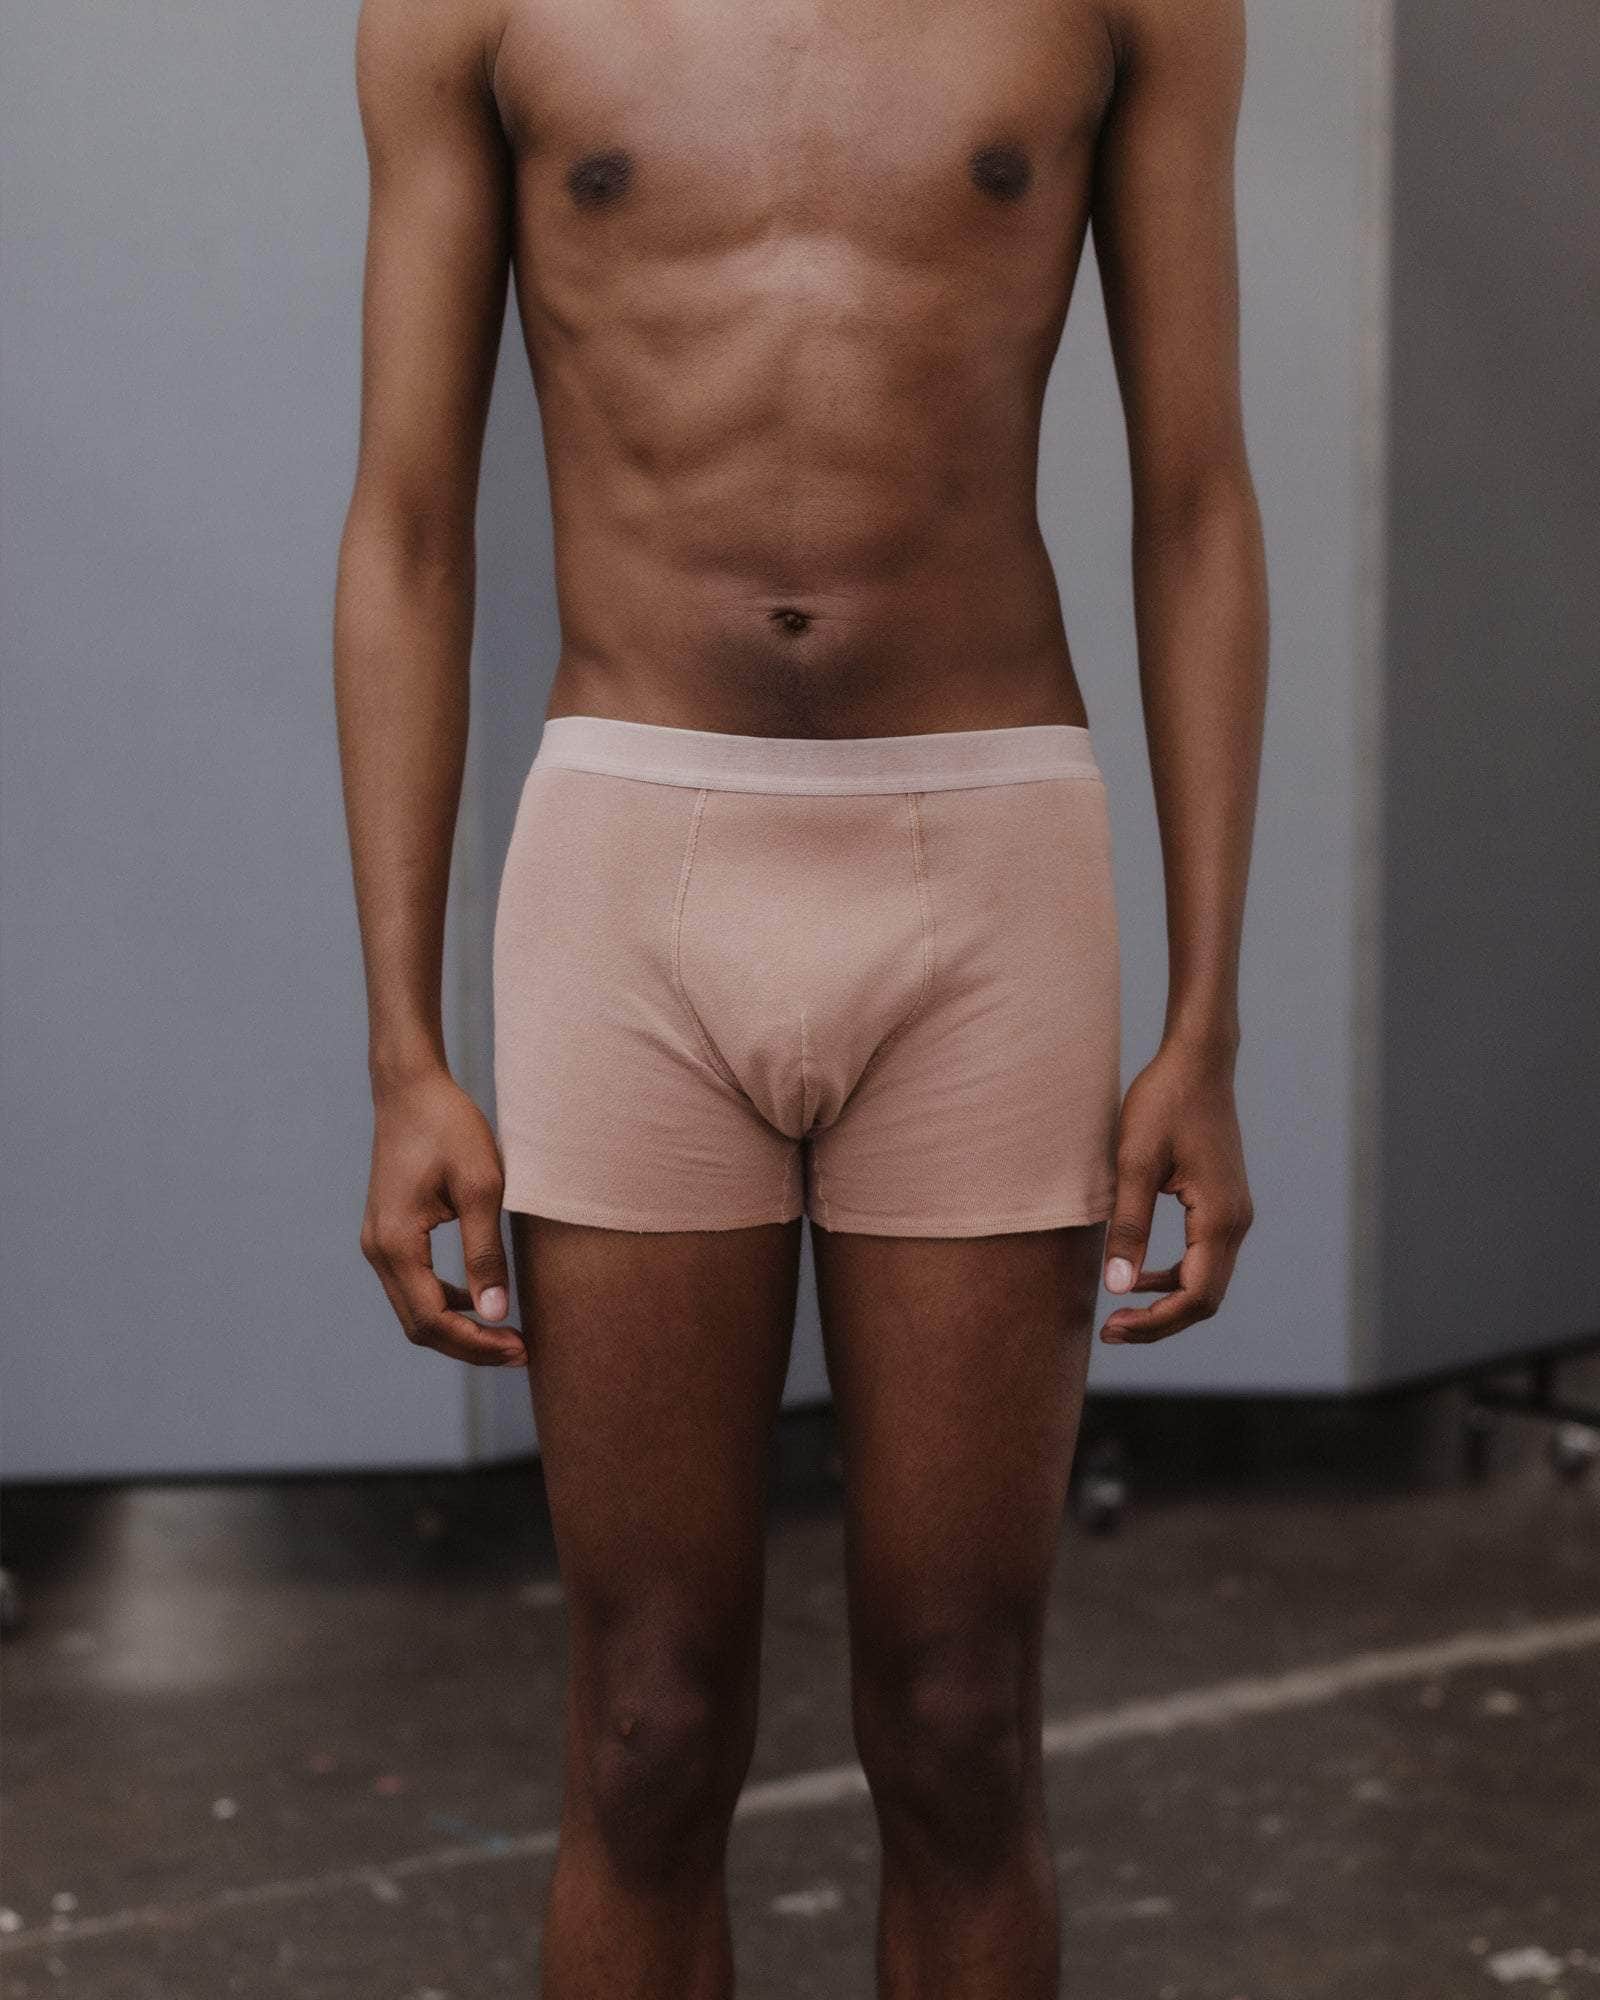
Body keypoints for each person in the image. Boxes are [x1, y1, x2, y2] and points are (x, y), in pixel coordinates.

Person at [333, 0, 1265, 1988]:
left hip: (986, 858)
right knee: (647, 1726)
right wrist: (402, 1049)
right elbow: (406, 530)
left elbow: (1195, 504)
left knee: (959, 1720)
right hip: (630, 858)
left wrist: (1208, 1018)